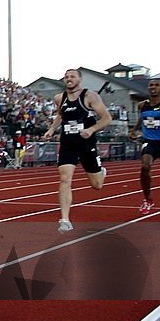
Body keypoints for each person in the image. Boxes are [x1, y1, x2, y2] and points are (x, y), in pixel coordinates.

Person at [42, 68, 111, 232]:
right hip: (68, 143)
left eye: (72, 76)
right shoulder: (59, 98)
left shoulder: (90, 96)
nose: (69, 79)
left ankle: (101, 172)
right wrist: (52, 129)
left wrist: (91, 130)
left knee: (97, 185)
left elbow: (107, 118)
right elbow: (60, 115)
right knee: (65, 179)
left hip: (86, 143)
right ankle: (65, 220)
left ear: (80, 79)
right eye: (66, 77)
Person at [130, 78, 160, 214]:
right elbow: (143, 118)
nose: (153, 87)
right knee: (145, 165)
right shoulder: (142, 105)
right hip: (150, 142)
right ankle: (147, 199)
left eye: (157, 85)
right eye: (151, 85)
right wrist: (134, 130)